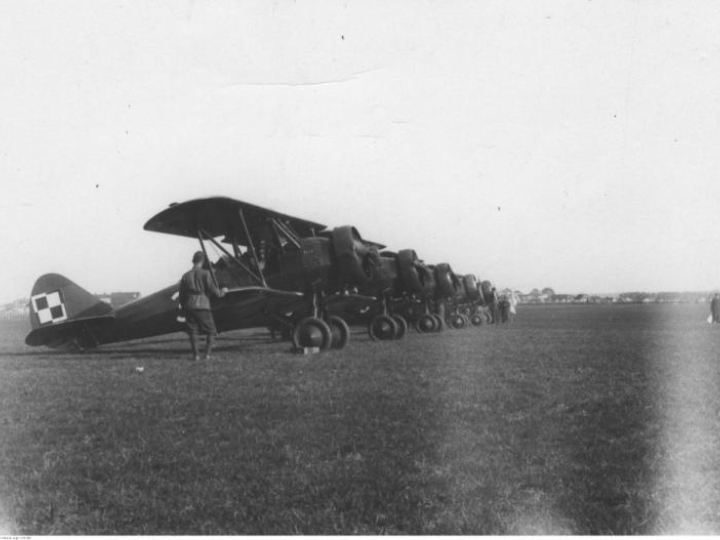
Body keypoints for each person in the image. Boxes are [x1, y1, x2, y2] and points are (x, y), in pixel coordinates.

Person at [178, 251, 227, 360]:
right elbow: (212, 289)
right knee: (212, 330)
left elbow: (181, 295)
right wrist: (222, 292)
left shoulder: (186, 275)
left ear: (193, 261)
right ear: (202, 261)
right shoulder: (206, 273)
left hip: (189, 306)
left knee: (193, 330)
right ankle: (208, 354)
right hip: (202, 305)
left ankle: (196, 355)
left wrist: (183, 306)